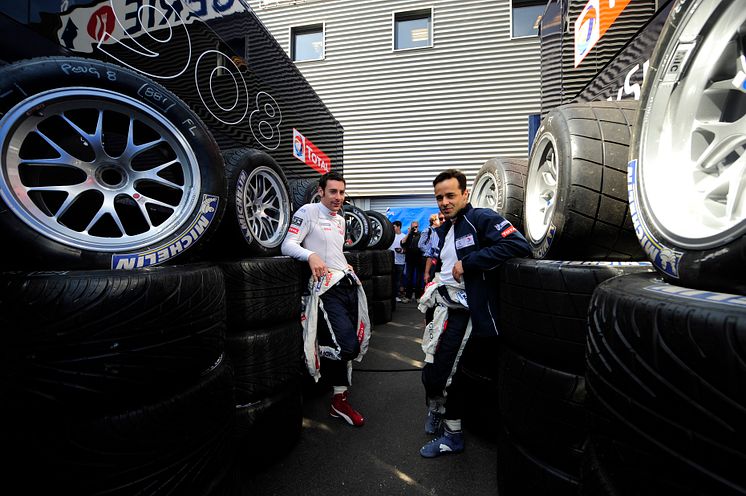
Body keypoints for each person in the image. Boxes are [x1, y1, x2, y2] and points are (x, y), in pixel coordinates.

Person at [418, 169, 530, 458]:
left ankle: (453, 436)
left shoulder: (481, 218)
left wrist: (471, 262)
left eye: (450, 195)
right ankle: (438, 412)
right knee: (432, 370)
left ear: (465, 194)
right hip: (443, 309)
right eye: (439, 197)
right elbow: (443, 268)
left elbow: (518, 244)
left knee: (450, 375)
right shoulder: (447, 227)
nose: (444, 202)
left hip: (470, 316)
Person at [281, 171, 370, 427]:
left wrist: (347, 266)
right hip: (325, 290)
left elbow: (334, 251)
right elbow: (287, 244)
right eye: (333, 192)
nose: (338, 197)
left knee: (354, 341)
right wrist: (310, 256)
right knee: (347, 346)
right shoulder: (307, 212)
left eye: (342, 192)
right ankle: (313, 355)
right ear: (321, 191)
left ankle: (339, 401)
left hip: (347, 285)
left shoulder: (341, 220)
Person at [400, 220, 425, 300]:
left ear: (418, 226)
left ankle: (418, 296)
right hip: (409, 259)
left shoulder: (421, 234)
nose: (414, 228)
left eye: (416, 226)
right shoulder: (409, 235)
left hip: (419, 259)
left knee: (418, 278)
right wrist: (408, 233)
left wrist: (417, 232)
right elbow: (402, 243)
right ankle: (408, 296)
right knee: (408, 278)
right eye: (413, 227)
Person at [418, 213, 445, 284]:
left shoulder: (439, 231)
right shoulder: (428, 230)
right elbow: (420, 245)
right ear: (434, 221)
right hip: (429, 258)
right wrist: (430, 251)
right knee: (428, 279)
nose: (443, 221)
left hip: (436, 259)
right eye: (440, 219)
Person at [389, 220, 407, 302]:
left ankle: (397, 295)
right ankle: (393, 296)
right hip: (391, 262)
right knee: (392, 280)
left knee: (398, 280)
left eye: (394, 227)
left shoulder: (404, 236)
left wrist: (402, 251)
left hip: (400, 262)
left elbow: (407, 249)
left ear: (399, 227)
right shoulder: (390, 236)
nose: (393, 228)